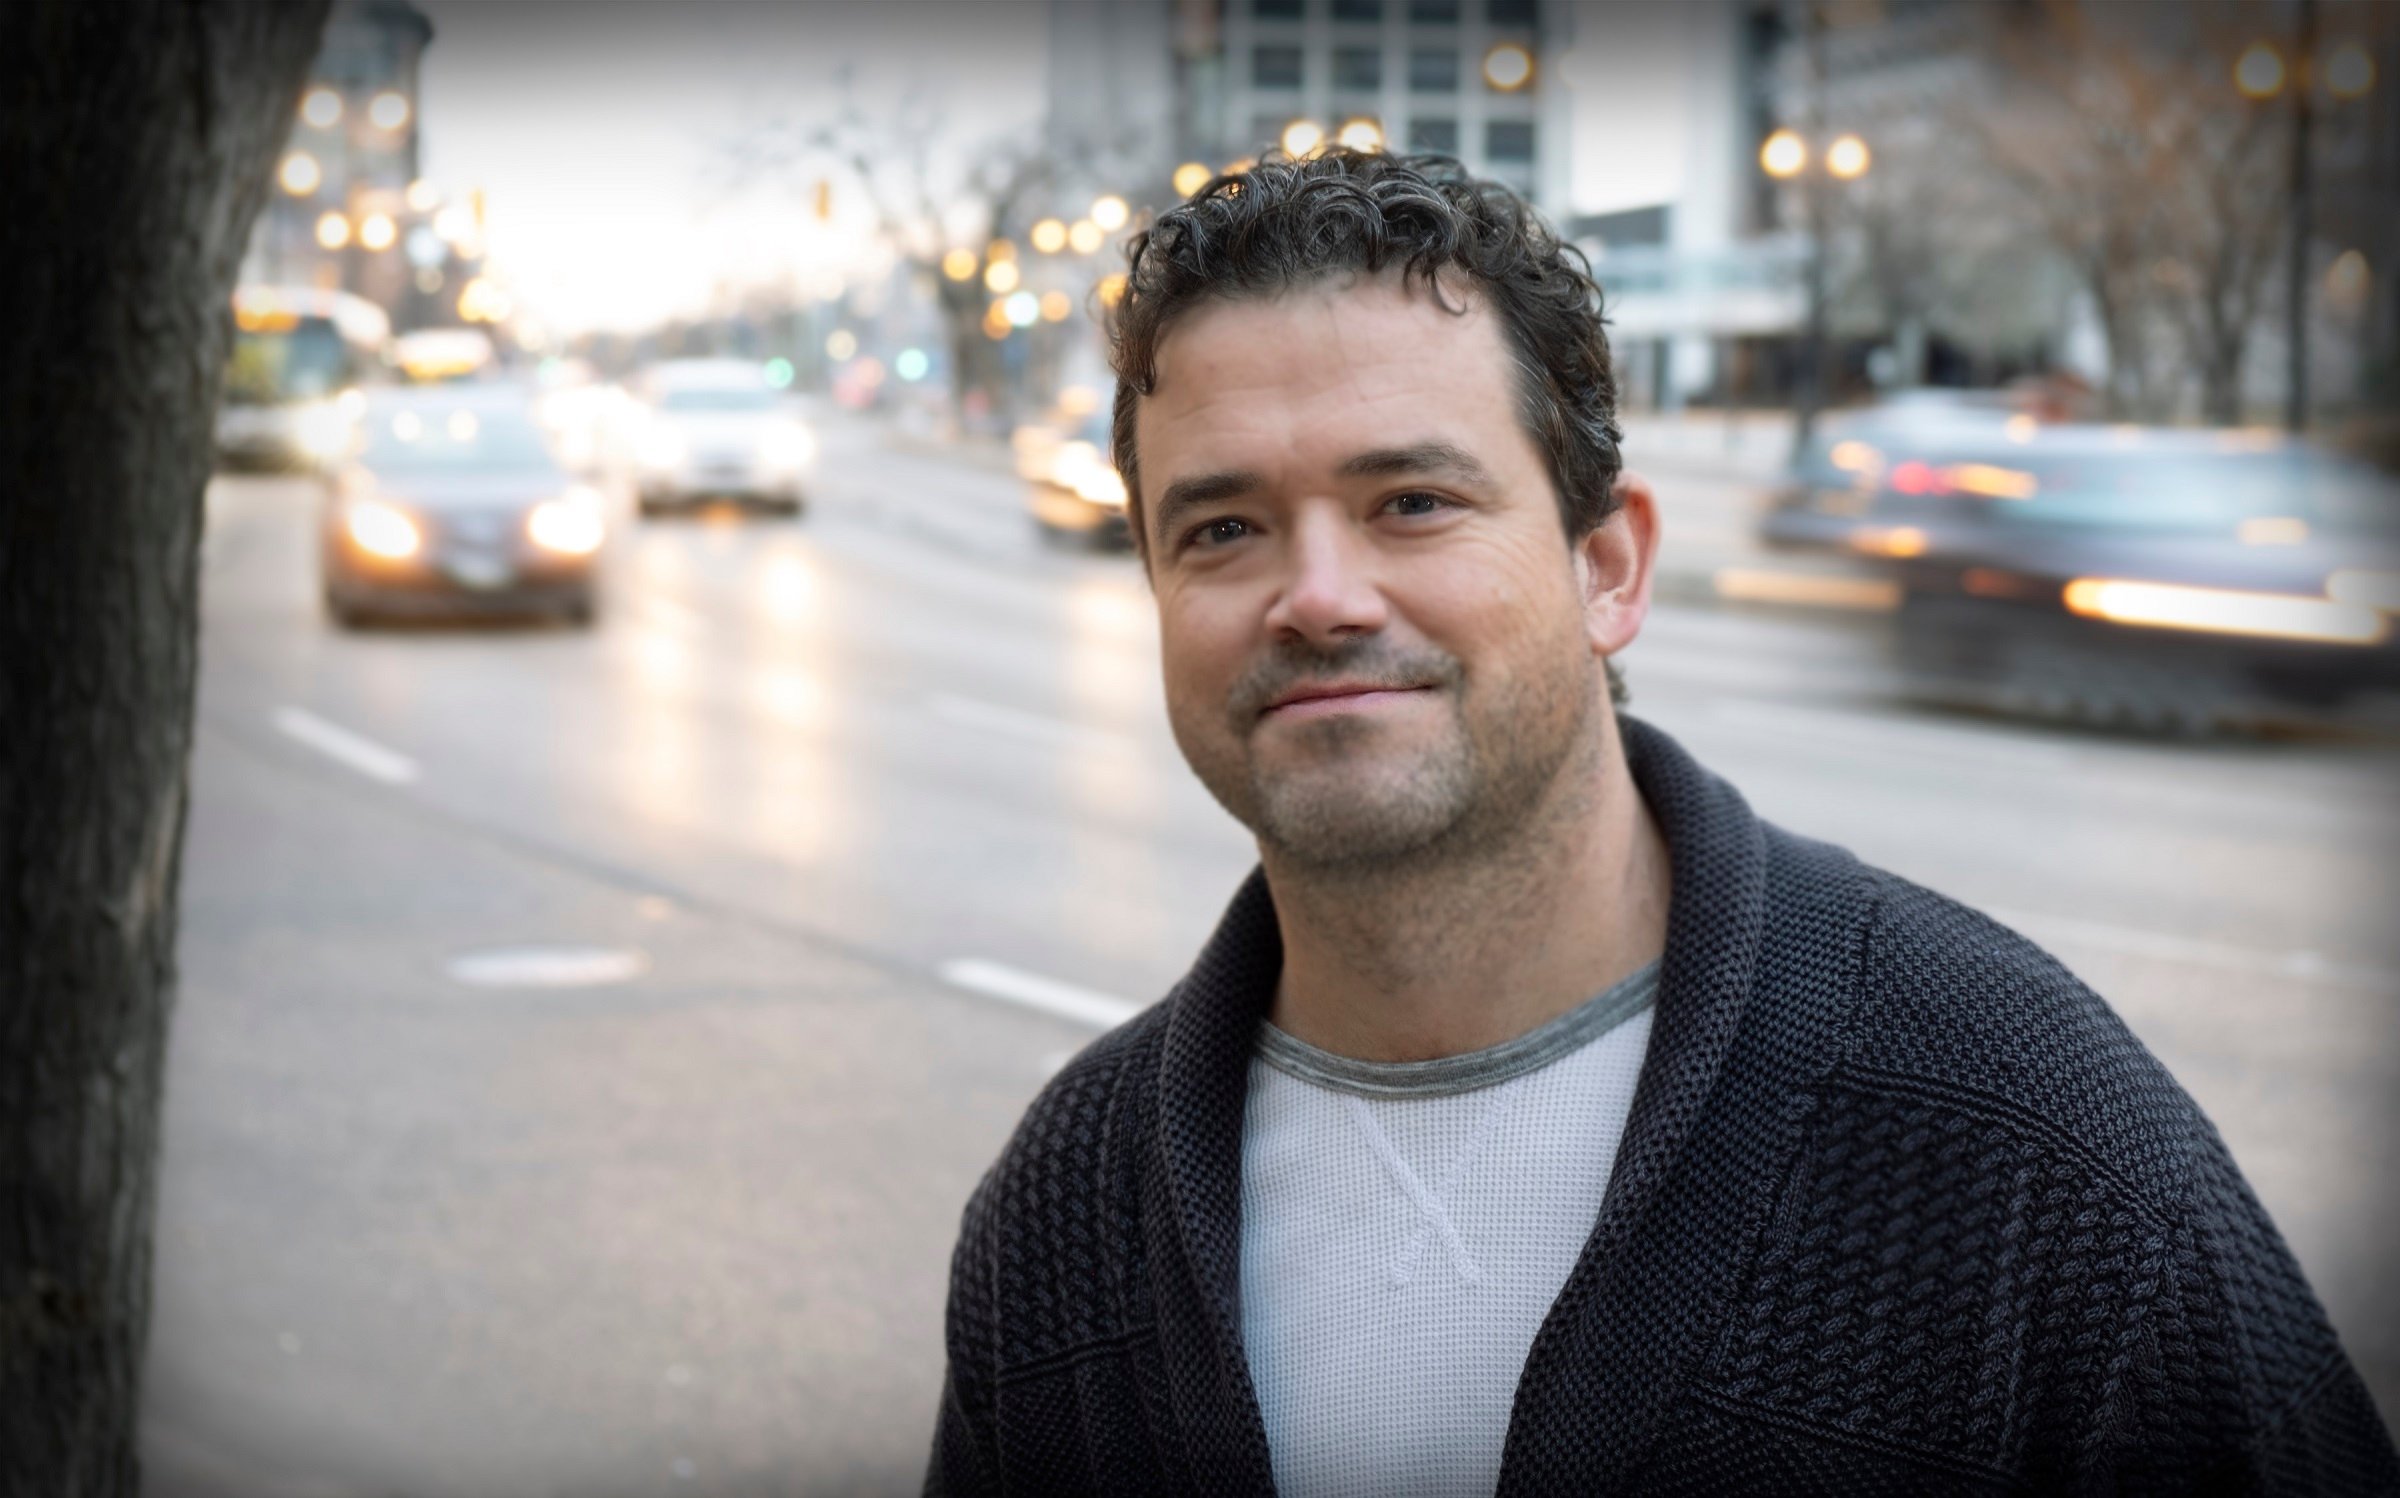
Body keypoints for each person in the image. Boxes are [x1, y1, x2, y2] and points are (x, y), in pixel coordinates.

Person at [924, 151, 2397, 1496]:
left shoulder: (2023, 1142)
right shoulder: (1068, 1214)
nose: (1319, 593)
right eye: (1223, 528)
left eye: (1415, 501)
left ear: (1609, 566)